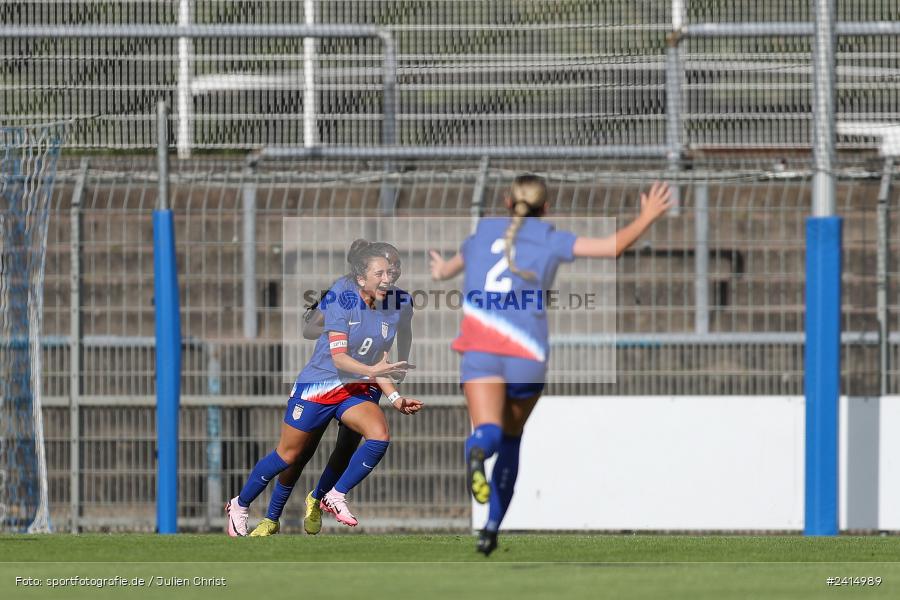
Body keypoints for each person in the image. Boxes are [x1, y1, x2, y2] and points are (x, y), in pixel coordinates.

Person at [429, 175, 672, 555]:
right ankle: (490, 529)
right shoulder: (550, 238)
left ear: (507, 201)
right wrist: (647, 216)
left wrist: (441, 269)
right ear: (546, 207)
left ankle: (476, 451)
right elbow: (612, 247)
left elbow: (448, 270)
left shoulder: (480, 236)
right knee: (512, 438)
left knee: (488, 430)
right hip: (526, 355)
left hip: (481, 351)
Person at [226, 241, 423, 536]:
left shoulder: (398, 302)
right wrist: (331, 321)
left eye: (394, 267)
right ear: (362, 276)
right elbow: (331, 349)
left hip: (357, 385)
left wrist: (395, 395)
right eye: (382, 269)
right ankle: (244, 506)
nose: (390, 274)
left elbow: (384, 355)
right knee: (291, 455)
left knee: (372, 437)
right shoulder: (344, 296)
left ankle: (330, 496)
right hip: (320, 384)